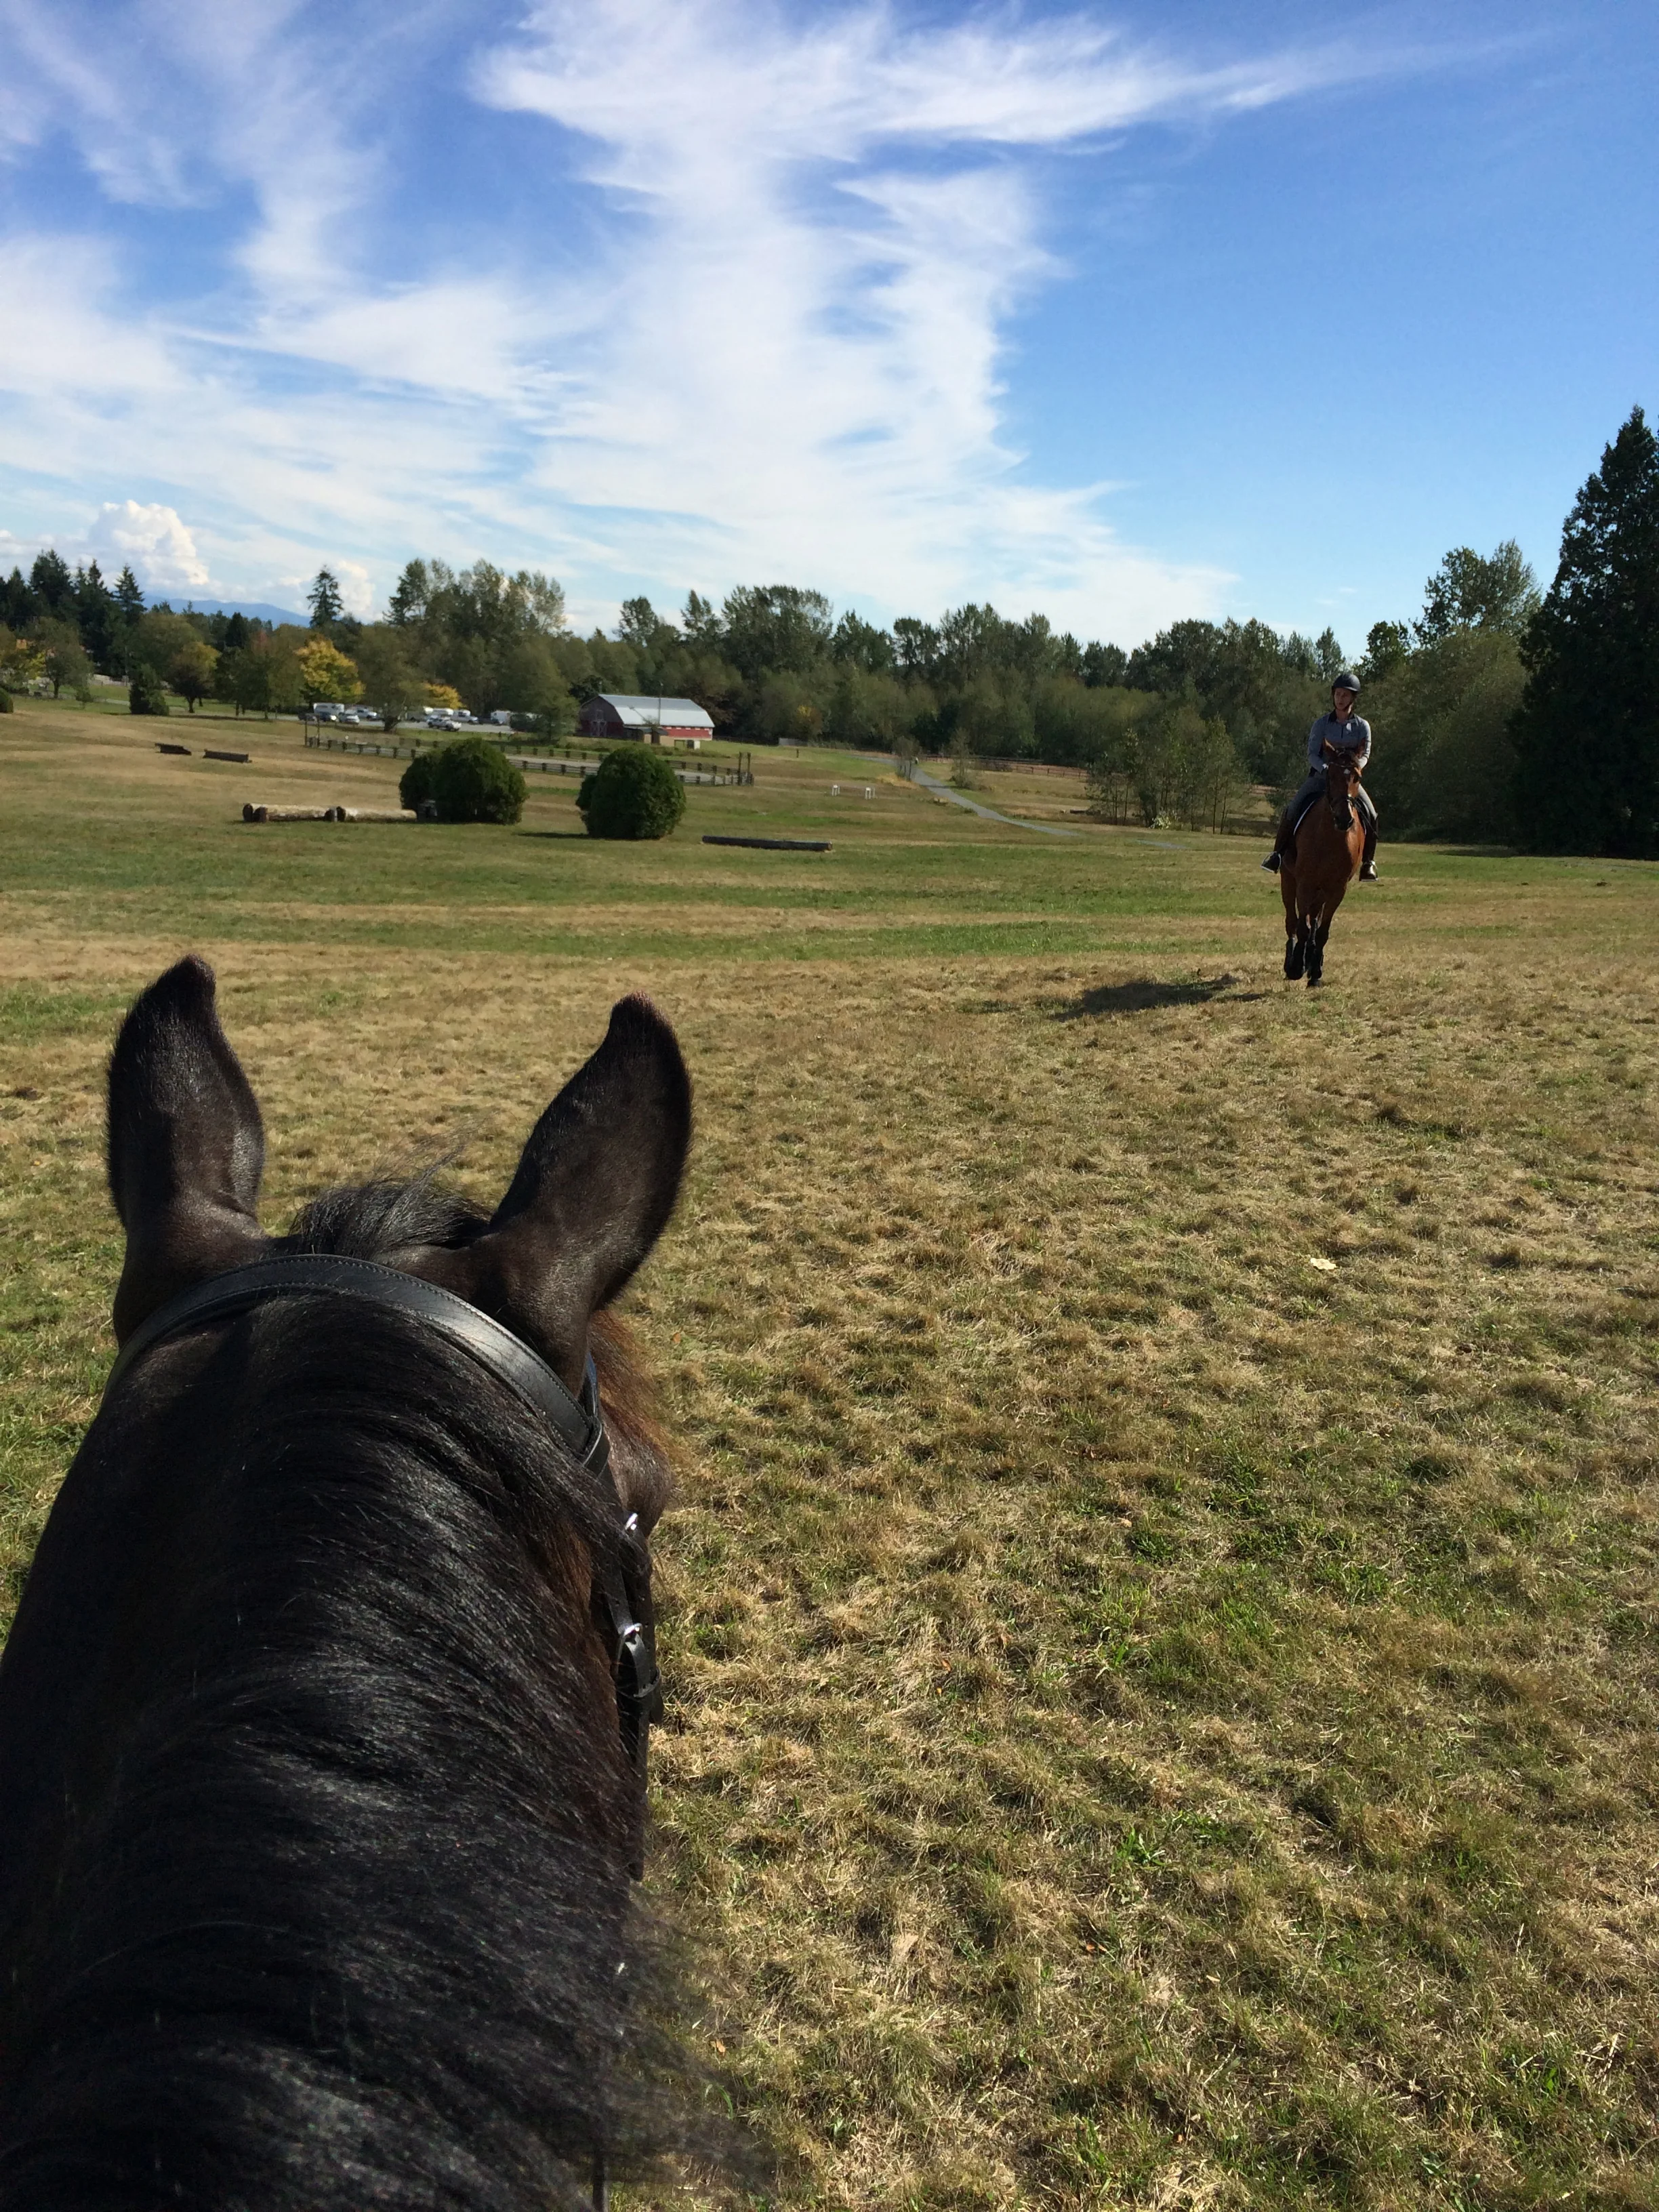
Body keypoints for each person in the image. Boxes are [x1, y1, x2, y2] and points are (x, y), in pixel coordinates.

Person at [1262, 672, 1379, 880]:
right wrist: (1327, 770)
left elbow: (1366, 754)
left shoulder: (1363, 727)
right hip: (1320, 778)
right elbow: (1312, 754)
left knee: (1372, 814)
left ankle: (1368, 863)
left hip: (1348, 782)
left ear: (1353, 698)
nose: (1340, 699)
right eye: (1337, 694)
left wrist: (1354, 771)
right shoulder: (1321, 724)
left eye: (1345, 695)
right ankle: (1277, 854)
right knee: (1292, 808)